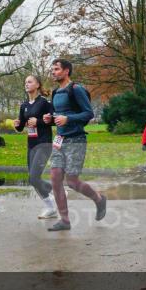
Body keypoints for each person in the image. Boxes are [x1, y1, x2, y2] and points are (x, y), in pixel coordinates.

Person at [43, 58, 107, 231]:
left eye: (56, 69)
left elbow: (88, 113)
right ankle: (65, 220)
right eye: (53, 69)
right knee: (55, 179)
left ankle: (99, 199)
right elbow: (58, 115)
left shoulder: (76, 89)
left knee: (71, 181)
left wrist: (68, 118)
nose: (53, 72)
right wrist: (50, 119)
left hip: (76, 140)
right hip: (60, 140)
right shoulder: (56, 93)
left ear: (66, 71)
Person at [13, 74, 58, 219]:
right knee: (33, 179)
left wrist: (38, 122)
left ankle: (55, 194)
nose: (26, 84)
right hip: (31, 145)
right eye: (25, 82)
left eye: (30, 81)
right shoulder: (24, 105)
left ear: (37, 85)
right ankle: (51, 207)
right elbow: (21, 127)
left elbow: (54, 120)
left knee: (34, 177)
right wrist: (17, 125)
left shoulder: (44, 103)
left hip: (44, 143)